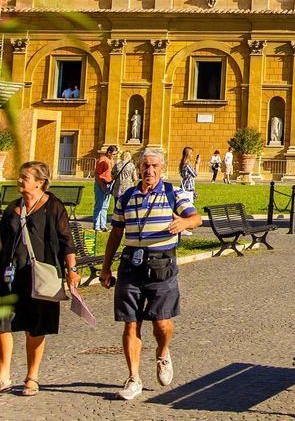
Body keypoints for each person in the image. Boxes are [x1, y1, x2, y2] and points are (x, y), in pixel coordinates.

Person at [101, 149, 202, 401]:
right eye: (145, 165)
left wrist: (184, 223)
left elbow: (196, 218)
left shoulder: (173, 193)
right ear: (138, 168)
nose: (149, 170)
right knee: (131, 322)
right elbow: (116, 233)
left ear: (162, 167)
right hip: (130, 264)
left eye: (154, 165)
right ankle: (134, 377)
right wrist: (105, 267)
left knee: (162, 323)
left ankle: (163, 352)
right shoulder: (126, 196)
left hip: (161, 264)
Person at [0, 161, 79, 397]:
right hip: (10, 276)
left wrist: (72, 270)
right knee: (3, 324)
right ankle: (3, 374)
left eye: (25, 177)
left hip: (40, 276)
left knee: (34, 326)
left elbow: (66, 239)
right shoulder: (12, 208)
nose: (20, 180)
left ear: (40, 182)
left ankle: (32, 377)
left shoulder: (52, 206)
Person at [93, 145, 117, 231]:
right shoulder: (102, 160)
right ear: (109, 152)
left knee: (105, 206)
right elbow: (97, 175)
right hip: (101, 184)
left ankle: (103, 225)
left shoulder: (111, 161)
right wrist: (101, 185)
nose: (114, 156)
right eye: (113, 154)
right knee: (99, 205)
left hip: (109, 184)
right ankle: (96, 225)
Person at [178, 148, 198, 237]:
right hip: (188, 188)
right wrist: (197, 164)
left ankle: (183, 227)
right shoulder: (187, 165)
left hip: (186, 187)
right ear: (188, 154)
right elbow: (195, 174)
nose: (192, 156)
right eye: (191, 154)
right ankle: (183, 227)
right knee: (187, 209)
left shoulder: (182, 164)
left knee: (185, 208)